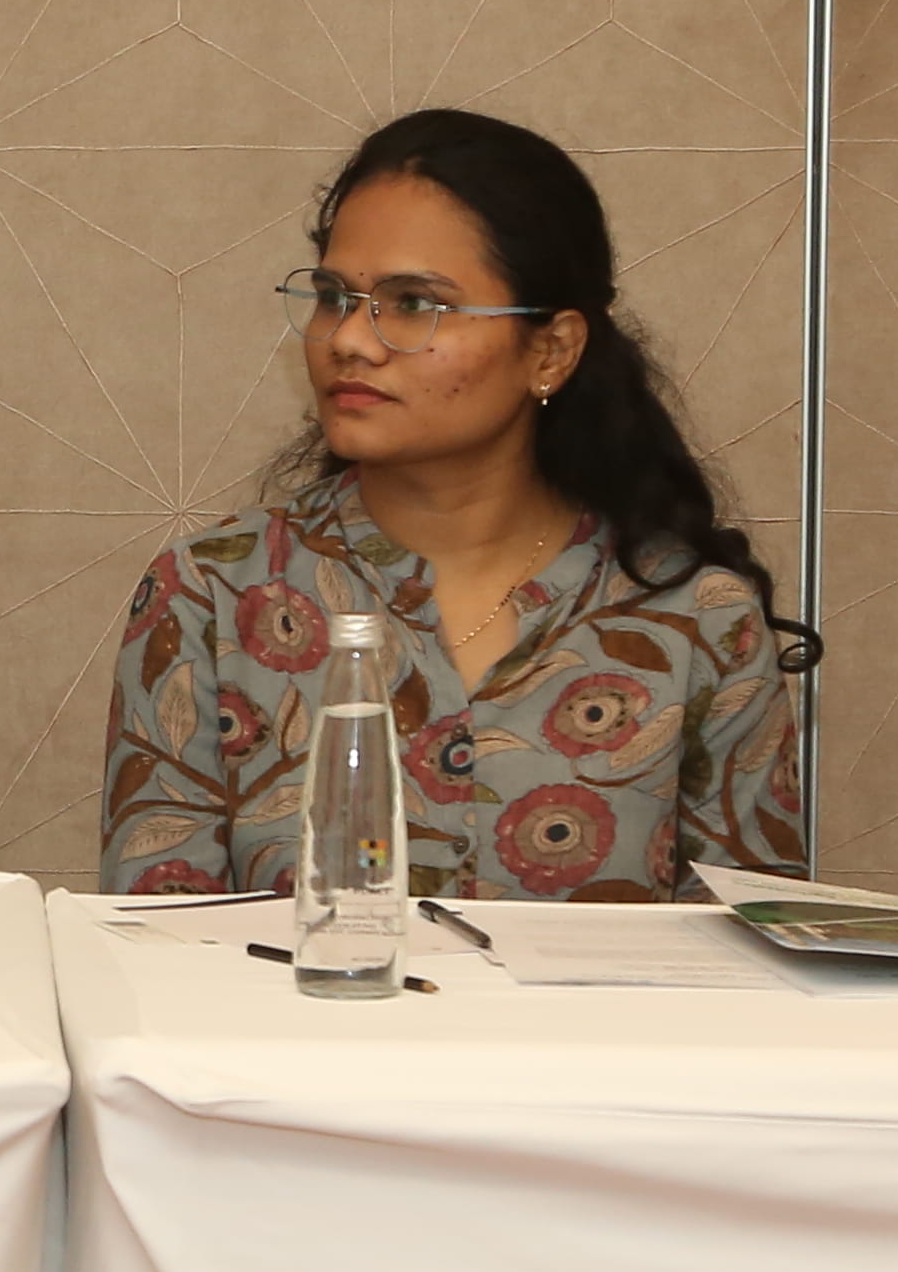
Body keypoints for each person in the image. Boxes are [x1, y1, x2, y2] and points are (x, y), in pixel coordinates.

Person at [98, 109, 805, 899]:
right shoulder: (211, 595)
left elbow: (751, 949)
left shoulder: (697, 619)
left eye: (412, 304)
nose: (349, 340)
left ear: (551, 350)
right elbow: (153, 940)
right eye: (334, 296)